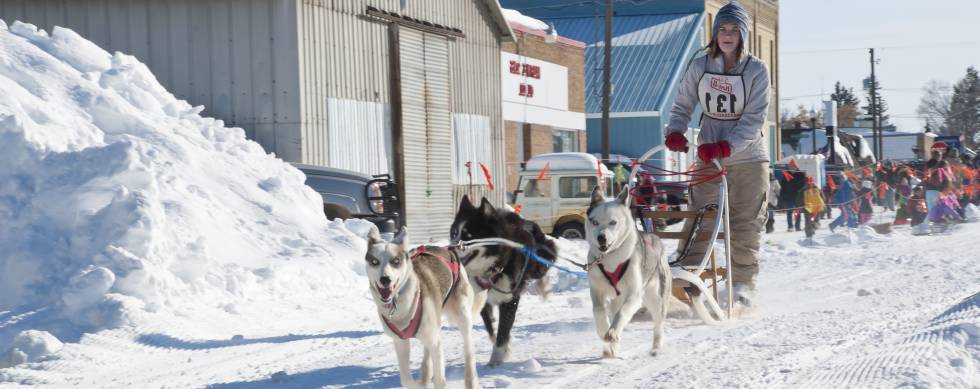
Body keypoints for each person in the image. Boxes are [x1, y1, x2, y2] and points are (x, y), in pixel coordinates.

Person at [663, 1, 770, 307]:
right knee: (700, 217)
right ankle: (686, 273)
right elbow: (682, 104)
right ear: (714, 33)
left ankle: (743, 287)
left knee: (744, 223)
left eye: (734, 30)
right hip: (708, 159)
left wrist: (727, 146)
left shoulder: (757, 71)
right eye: (722, 28)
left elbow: (754, 119)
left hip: (748, 159)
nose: (727, 34)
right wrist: (675, 131)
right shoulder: (700, 66)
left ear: (743, 35)